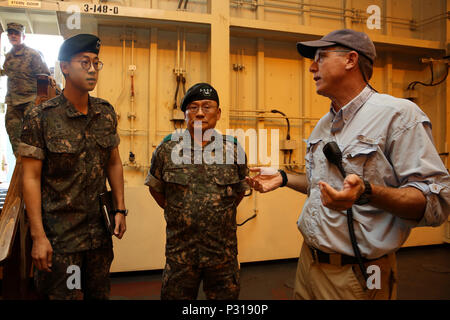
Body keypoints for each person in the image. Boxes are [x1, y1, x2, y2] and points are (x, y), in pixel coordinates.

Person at [246, 29, 450, 300]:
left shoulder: (399, 115)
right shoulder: (323, 125)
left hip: (359, 275)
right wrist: (283, 178)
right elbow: (326, 186)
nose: (312, 67)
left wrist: (367, 191)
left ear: (351, 60)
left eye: (321, 57)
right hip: (309, 265)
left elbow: (437, 202)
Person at [19, 34, 127, 300]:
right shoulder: (41, 117)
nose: (92, 69)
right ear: (65, 67)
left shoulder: (105, 113)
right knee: (67, 296)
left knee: (98, 295)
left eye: (96, 63)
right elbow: (30, 178)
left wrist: (120, 209)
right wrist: (38, 236)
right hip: (61, 240)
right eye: (84, 62)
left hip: (98, 237)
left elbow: (113, 162)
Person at [145, 83, 250, 300]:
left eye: (207, 106)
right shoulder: (167, 149)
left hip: (222, 254)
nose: (200, 112)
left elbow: (240, 190)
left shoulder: (233, 149)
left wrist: (217, 213)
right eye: (193, 107)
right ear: (184, 114)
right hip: (181, 255)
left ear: (218, 113)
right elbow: (156, 189)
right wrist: (178, 211)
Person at [0, 23, 50, 157]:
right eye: (10, 33)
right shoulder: (9, 56)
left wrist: (41, 100)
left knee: (31, 134)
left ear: (23, 36)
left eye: (16, 33)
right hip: (12, 101)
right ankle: (20, 163)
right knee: (13, 132)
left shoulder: (33, 54)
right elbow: (6, 72)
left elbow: (45, 76)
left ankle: (34, 165)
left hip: (30, 100)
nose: (13, 36)